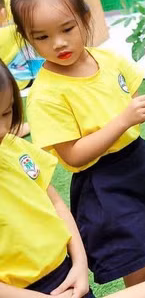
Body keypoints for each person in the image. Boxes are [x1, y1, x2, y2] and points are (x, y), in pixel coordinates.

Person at [12, 0, 145, 287]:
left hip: (139, 163)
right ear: (27, 37)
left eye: (67, 29)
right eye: (41, 37)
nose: (58, 43)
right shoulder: (46, 94)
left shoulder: (104, 58)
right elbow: (73, 156)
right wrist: (124, 120)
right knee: (138, 264)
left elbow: (133, 100)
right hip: (104, 184)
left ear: (85, 18)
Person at [0, 61, 93, 297]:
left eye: (6, 112)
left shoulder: (16, 148)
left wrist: (80, 263)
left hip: (67, 275)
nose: (2, 129)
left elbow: (56, 203)